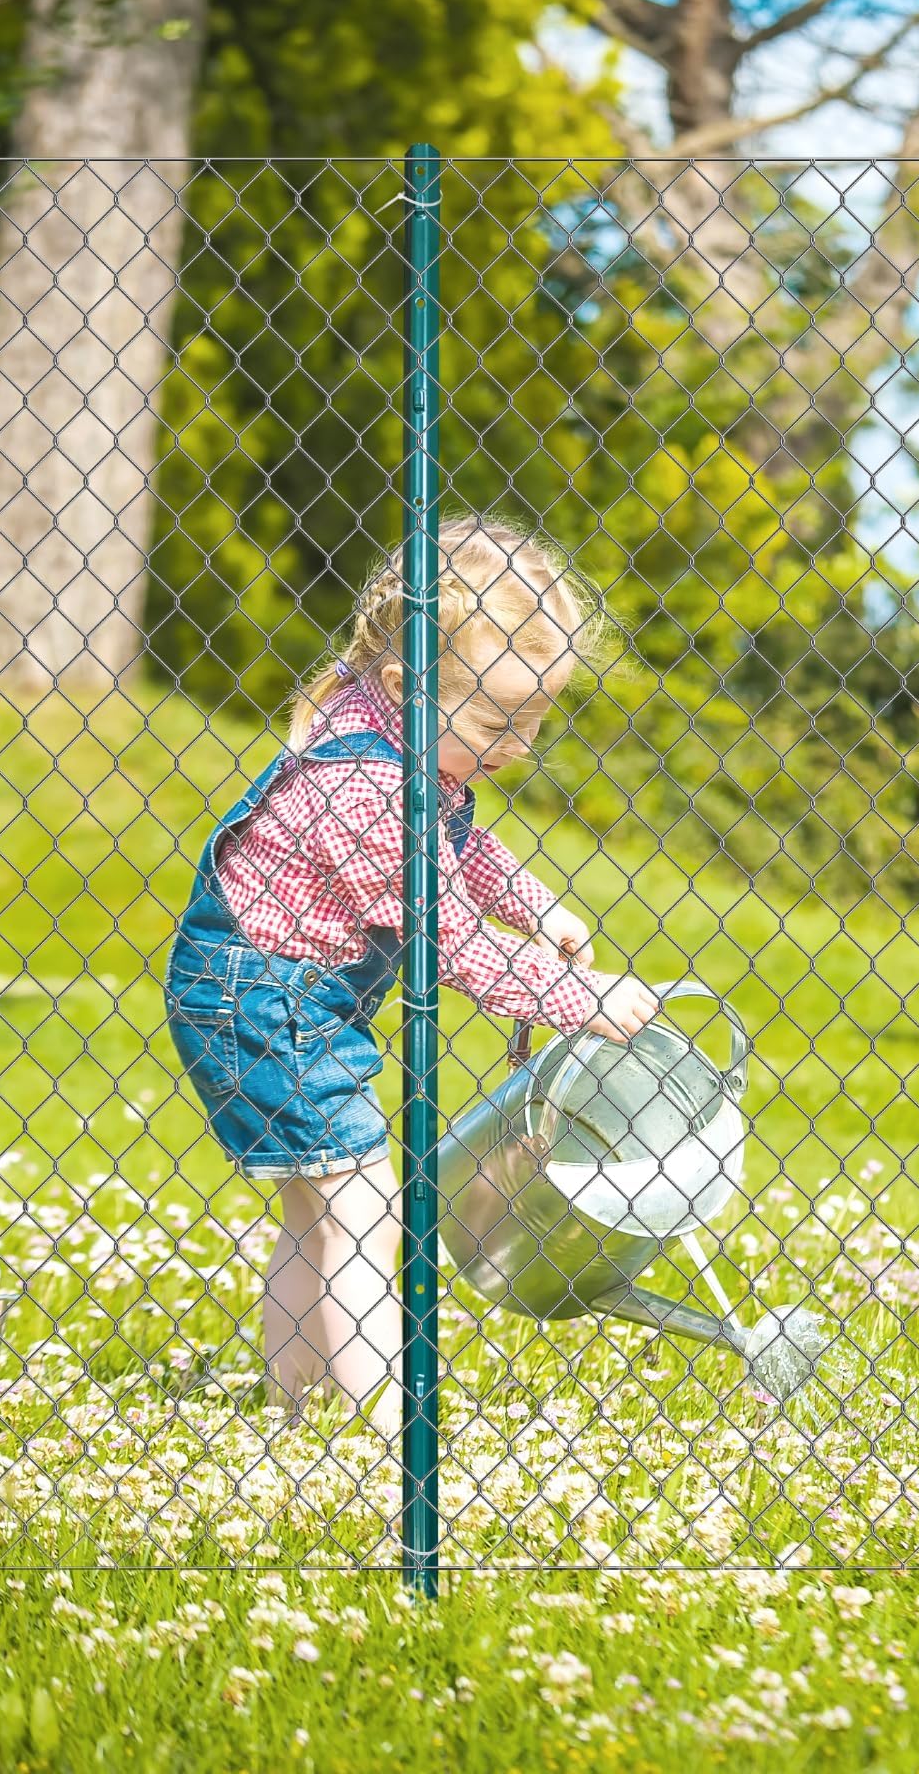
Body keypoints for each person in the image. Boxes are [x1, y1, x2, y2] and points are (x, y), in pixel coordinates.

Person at [165, 516, 659, 1437]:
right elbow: (449, 942)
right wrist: (580, 1001)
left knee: (317, 1210)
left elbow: (455, 851)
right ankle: (389, 1434)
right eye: (498, 722)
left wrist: (534, 905)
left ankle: (297, 1408)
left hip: (273, 995)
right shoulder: (366, 788)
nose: (520, 744)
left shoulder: (403, 747)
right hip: (265, 1001)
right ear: (408, 686)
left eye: (536, 720)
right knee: (363, 1211)